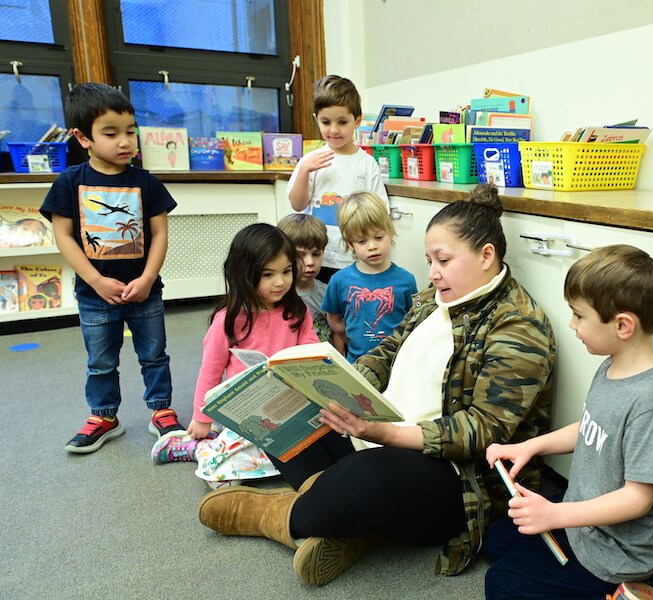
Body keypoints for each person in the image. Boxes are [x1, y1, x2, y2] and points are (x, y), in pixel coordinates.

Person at [196, 183, 556, 586]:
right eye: (429, 260)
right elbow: (385, 352)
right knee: (283, 421)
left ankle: (278, 515)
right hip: (379, 432)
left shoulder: (519, 327)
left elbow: (484, 431)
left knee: (369, 476)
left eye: (443, 260)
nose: (433, 272)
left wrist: (387, 434)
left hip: (453, 477)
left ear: (486, 256)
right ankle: (351, 522)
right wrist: (338, 384)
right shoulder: (432, 299)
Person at [483, 245, 653, 600]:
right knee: (497, 540)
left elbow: (638, 498)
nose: (572, 325)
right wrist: (531, 446)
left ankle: (630, 589)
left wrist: (555, 515)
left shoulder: (652, 404)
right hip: (582, 518)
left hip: (615, 551)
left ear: (622, 325)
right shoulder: (612, 364)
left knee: (500, 585)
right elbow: (590, 427)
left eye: (579, 316)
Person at [151, 223, 354, 488]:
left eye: (286, 271)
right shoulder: (228, 321)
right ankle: (196, 447)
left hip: (293, 408)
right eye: (268, 274)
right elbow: (210, 372)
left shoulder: (297, 311)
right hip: (248, 415)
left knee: (330, 447)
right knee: (232, 469)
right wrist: (202, 420)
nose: (280, 282)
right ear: (244, 274)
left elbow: (310, 354)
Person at [40, 83, 185, 454]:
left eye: (130, 131)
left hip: (145, 291)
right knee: (101, 360)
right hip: (94, 295)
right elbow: (65, 237)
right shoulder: (70, 182)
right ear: (82, 137)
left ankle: (161, 411)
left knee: (154, 355)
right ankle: (104, 416)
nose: (125, 141)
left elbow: (159, 234)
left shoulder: (146, 182)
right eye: (111, 133)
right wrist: (96, 280)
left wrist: (148, 277)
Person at [286, 74, 388, 282]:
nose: (333, 129)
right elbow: (297, 205)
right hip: (317, 256)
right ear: (316, 119)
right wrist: (304, 171)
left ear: (357, 120)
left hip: (353, 256)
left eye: (342, 122)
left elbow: (380, 212)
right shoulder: (310, 161)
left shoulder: (367, 163)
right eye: (326, 122)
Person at [321, 191, 417, 363]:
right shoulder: (339, 281)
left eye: (378, 237)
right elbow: (334, 320)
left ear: (391, 233)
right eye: (361, 241)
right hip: (357, 364)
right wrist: (353, 341)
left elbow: (414, 324)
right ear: (350, 244)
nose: (372, 246)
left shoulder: (407, 280)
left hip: (397, 366)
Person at [276, 212, 341, 353]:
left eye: (316, 254)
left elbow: (337, 332)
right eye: (300, 256)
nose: (310, 262)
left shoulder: (328, 292)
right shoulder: (277, 295)